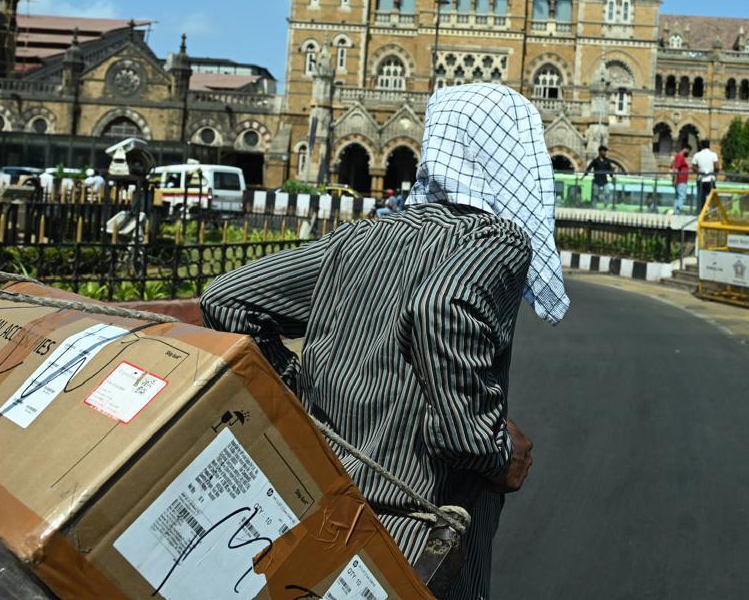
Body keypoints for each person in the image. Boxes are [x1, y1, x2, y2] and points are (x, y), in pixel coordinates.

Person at [199, 83, 568, 600]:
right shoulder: (497, 240)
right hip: (415, 539)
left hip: (319, 514)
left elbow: (227, 298)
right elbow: (444, 305)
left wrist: (300, 393)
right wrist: (490, 448)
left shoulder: (362, 237)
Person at [691, 139, 721, 212]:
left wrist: (699, 171)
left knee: (701, 198)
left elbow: (693, 167)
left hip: (701, 179)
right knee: (713, 197)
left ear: (701, 145)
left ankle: (702, 212)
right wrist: (714, 173)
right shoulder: (713, 155)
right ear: (709, 145)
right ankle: (715, 212)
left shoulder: (697, 155)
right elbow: (717, 167)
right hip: (710, 179)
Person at [670, 143, 691, 213]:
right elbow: (676, 169)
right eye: (689, 150)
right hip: (681, 180)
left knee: (677, 196)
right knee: (682, 196)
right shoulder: (680, 156)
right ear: (685, 149)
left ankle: (676, 211)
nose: (689, 153)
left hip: (680, 180)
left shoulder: (679, 156)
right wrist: (675, 180)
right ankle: (678, 211)